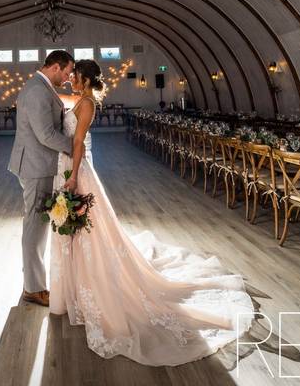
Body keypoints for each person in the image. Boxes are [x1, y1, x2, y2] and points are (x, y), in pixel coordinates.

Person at [49, 59, 255, 366]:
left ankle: (93, 286)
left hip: (77, 169)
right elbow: (64, 108)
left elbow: (78, 143)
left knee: (88, 227)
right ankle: (77, 287)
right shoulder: (81, 100)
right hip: (69, 166)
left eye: (75, 76)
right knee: (83, 229)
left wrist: (74, 175)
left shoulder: (87, 104)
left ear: (86, 78)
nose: (71, 80)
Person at [7, 50, 75, 307]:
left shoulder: (41, 87)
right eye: (67, 72)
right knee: (35, 225)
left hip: (39, 163)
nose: (68, 78)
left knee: (38, 223)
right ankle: (33, 289)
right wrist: (74, 146)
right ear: (56, 67)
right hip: (35, 166)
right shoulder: (37, 91)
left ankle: (32, 283)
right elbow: (46, 135)